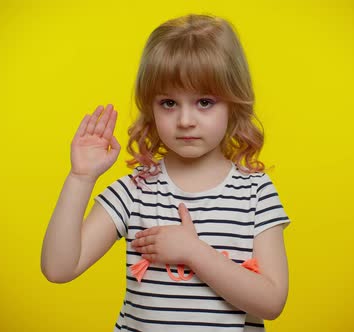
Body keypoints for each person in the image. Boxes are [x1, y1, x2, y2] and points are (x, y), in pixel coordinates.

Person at [41, 13, 291, 331]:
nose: (185, 120)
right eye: (169, 103)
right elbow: (58, 268)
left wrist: (193, 252)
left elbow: (272, 303)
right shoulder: (135, 190)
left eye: (204, 101)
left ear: (234, 104)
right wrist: (80, 178)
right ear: (151, 107)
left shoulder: (255, 192)